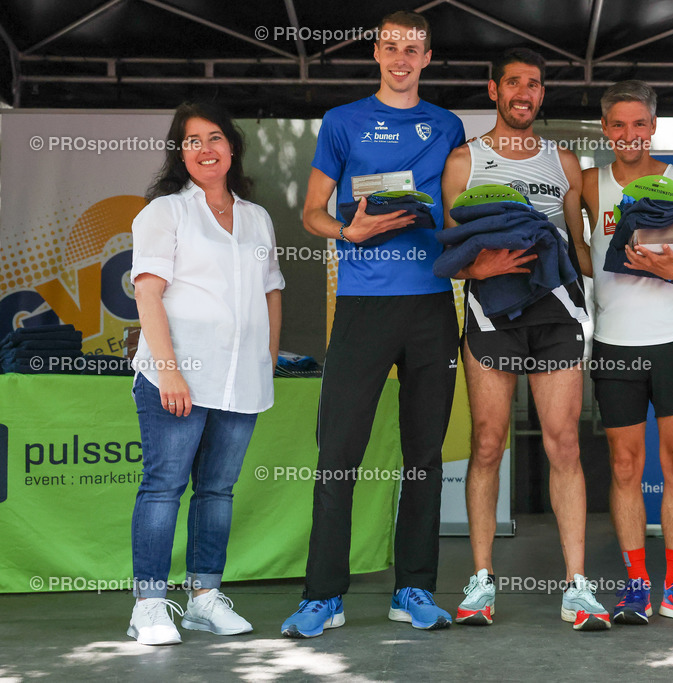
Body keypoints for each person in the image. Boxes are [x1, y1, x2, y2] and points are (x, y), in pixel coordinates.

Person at [280, 11, 465, 637]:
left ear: (428, 57)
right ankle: (322, 597)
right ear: (377, 52)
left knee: (424, 456)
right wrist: (346, 228)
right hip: (361, 306)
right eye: (392, 47)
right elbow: (310, 213)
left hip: (432, 305)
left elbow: (456, 214)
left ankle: (412, 589)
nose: (402, 58)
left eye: (414, 49)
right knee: (338, 455)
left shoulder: (448, 125)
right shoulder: (342, 121)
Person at [441, 47, 610, 631]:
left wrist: (642, 261)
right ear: (493, 90)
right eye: (513, 82)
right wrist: (476, 272)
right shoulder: (465, 160)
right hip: (490, 316)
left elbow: (578, 246)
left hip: (558, 314)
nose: (524, 93)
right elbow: (451, 251)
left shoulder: (564, 162)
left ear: (541, 95)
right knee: (488, 444)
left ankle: (577, 587)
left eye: (534, 85)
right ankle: (482, 581)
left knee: (564, 443)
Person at [128, 101, 284, 645]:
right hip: (178, 377)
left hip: (241, 380)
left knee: (217, 491)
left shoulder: (257, 216)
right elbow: (148, 294)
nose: (204, 149)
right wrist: (169, 373)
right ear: (180, 154)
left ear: (232, 146)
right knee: (164, 487)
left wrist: (266, 357)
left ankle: (202, 599)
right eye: (191, 141)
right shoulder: (165, 212)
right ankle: (148, 605)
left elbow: (271, 292)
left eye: (213, 137)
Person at [580, 80, 673, 626]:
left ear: (653, 126)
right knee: (623, 466)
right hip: (614, 343)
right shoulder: (588, 185)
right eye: (618, 124)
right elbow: (578, 255)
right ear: (605, 129)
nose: (629, 134)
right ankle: (636, 584)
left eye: (639, 124)